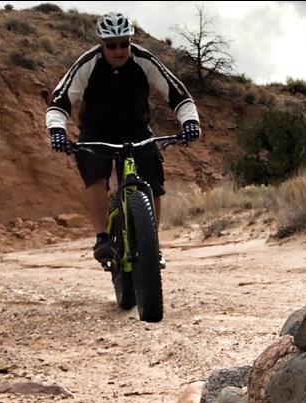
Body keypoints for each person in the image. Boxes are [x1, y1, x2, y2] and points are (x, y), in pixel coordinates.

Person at [45, 11, 201, 270]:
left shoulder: (144, 60)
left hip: (136, 128)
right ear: (101, 44)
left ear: (130, 41)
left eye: (124, 43)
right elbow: (60, 100)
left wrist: (190, 122)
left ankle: (152, 244)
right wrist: (57, 131)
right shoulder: (87, 64)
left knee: (153, 181)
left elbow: (177, 93)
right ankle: (102, 238)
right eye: (112, 45)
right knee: (95, 175)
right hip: (97, 130)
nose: (119, 50)